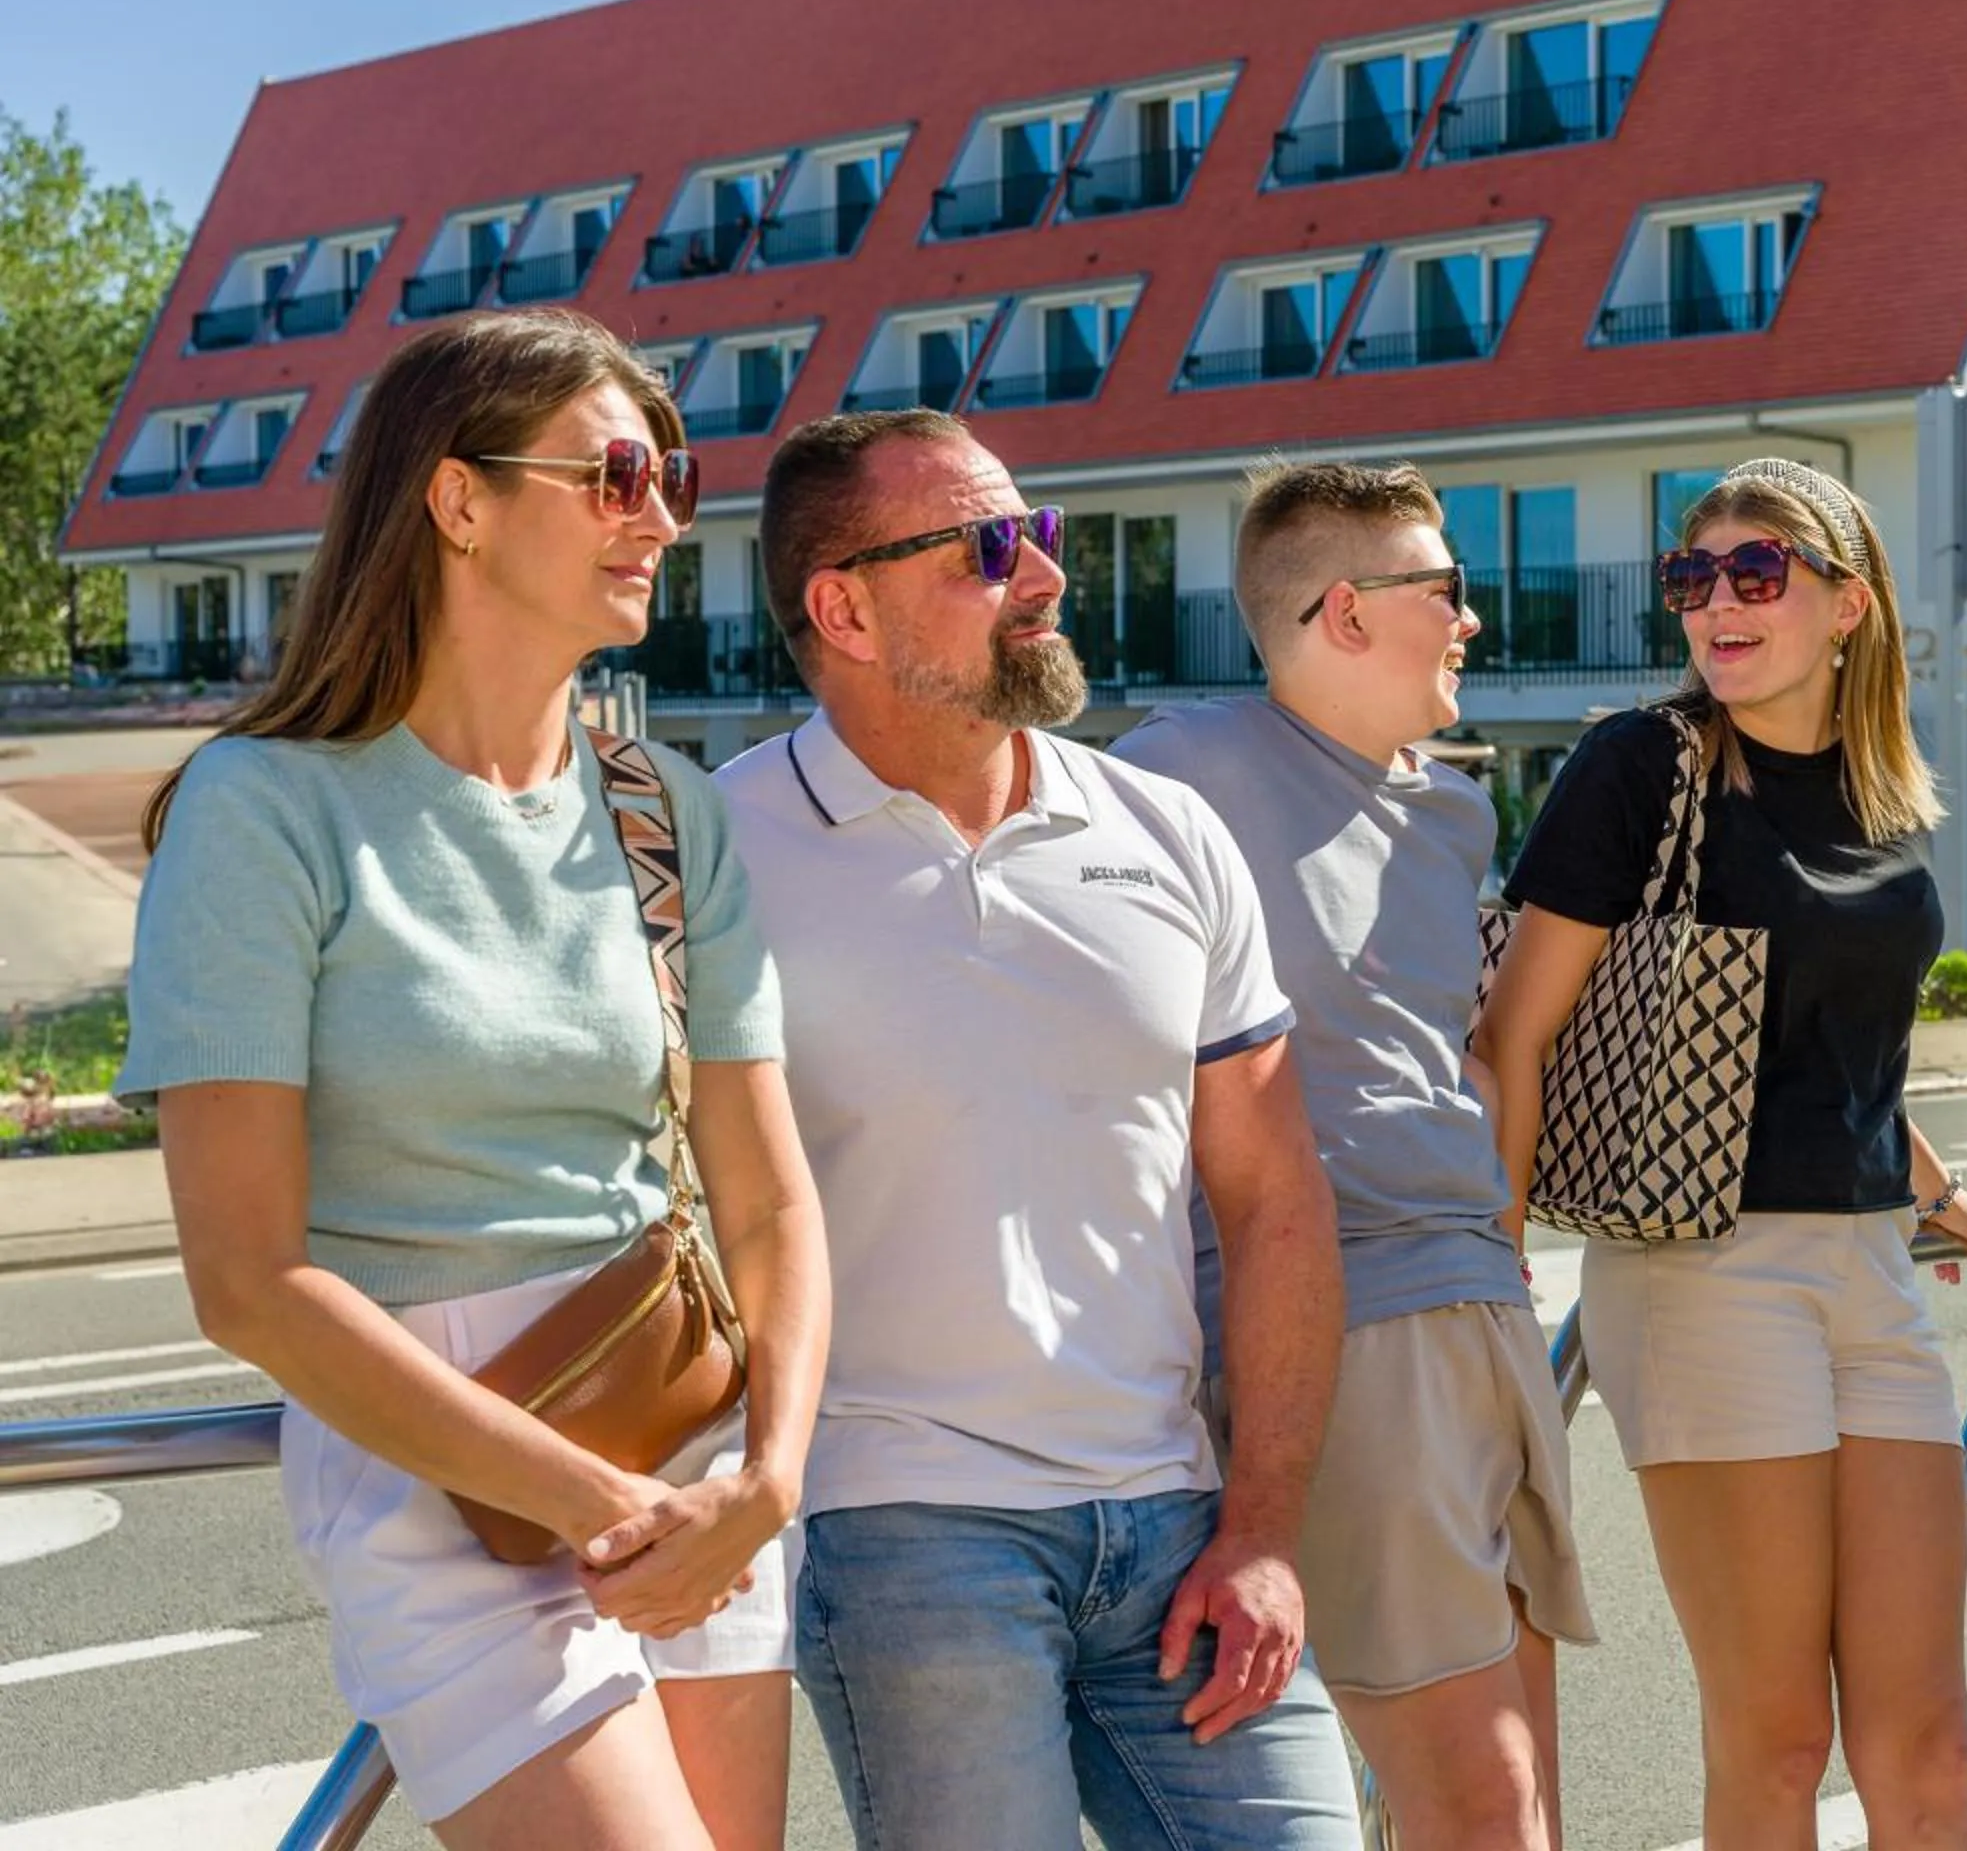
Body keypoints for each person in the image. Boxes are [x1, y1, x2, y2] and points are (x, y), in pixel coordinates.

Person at [118, 308, 831, 1850]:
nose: (660, 519)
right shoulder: (263, 811)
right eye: (615, 476)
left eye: (671, 478)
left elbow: (770, 1197)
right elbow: (246, 1283)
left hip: (686, 1440)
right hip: (436, 1469)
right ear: (456, 499)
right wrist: (598, 1508)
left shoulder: (660, 809)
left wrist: (769, 1481)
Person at [715, 410, 1359, 1851]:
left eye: (1041, 534)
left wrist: (1260, 1528)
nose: (1047, 575)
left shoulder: (1168, 832)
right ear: (845, 608)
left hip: (1179, 1527)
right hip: (900, 1530)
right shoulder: (721, 852)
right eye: (991, 548)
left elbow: (1275, 1201)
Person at [1476, 456, 1967, 1847]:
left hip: (1870, 1272)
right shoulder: (1641, 765)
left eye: (1755, 572)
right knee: (1777, 1744)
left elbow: (1845, 1046)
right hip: (1700, 1272)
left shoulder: (1882, 789)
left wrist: (1938, 1191)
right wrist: (1494, 1282)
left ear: (1848, 604)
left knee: (1931, 1751)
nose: (1716, 601)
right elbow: (1513, 1040)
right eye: (1692, 576)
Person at [1111, 461, 1598, 1850]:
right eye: (1444, 589)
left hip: (1483, 1306)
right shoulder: (1174, 777)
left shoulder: (1453, 811)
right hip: (1355, 1314)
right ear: (1341, 612)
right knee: (1480, 1802)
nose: (1471, 620)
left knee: (1526, 1795)